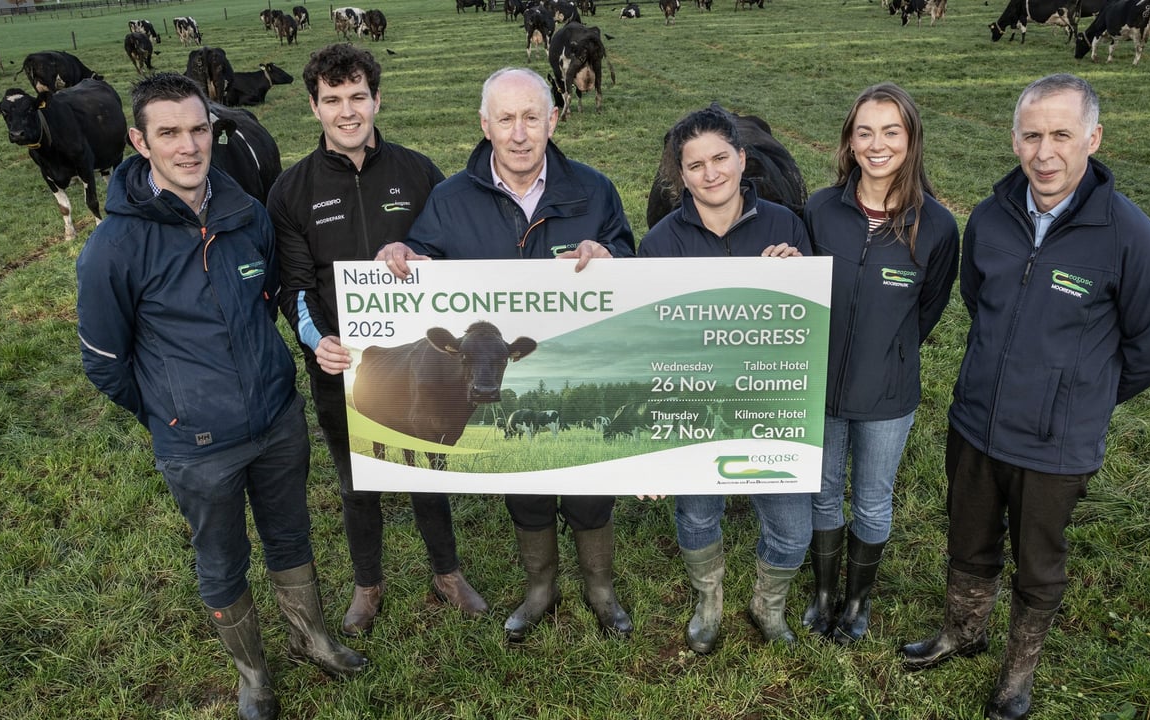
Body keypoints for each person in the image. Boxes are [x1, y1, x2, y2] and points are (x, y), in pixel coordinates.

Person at [75, 73, 366, 720]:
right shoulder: (112, 250)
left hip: (275, 418)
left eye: (198, 129)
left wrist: (266, 379)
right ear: (138, 141)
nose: (188, 146)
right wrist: (169, 409)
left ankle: (311, 638)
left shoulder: (246, 213)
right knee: (221, 558)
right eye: (169, 133)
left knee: (290, 534)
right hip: (196, 444)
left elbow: (267, 299)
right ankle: (254, 676)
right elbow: (103, 364)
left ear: (215, 130)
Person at [899, 74, 1150, 720]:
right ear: (1014, 139)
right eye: (1032, 135)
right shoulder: (994, 216)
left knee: (1039, 562)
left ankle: (1016, 677)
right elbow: (979, 298)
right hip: (976, 422)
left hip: (1055, 445)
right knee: (968, 538)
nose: (1045, 152)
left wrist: (1084, 392)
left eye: (1062, 134)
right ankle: (962, 633)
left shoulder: (1129, 237)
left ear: (1093, 138)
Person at [380, 66, 636, 642]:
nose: (519, 134)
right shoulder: (449, 199)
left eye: (530, 117)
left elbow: (627, 254)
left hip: (571, 370)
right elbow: (422, 264)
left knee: (591, 488)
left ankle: (601, 590)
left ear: (554, 119)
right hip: (501, 380)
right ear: (484, 125)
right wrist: (402, 253)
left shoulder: (594, 190)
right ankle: (540, 588)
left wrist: (611, 253)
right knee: (526, 487)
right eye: (505, 119)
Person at [268, 43, 488, 638]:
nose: (347, 111)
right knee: (354, 478)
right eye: (332, 100)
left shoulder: (419, 173)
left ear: (377, 99)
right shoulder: (291, 191)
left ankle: (447, 572)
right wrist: (318, 340)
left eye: (357, 97)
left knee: (425, 464)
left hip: (426, 365)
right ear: (313, 106)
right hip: (342, 366)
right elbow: (292, 286)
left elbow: (454, 259)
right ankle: (368, 585)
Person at [637, 105, 810, 651]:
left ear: (742, 158)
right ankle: (708, 601)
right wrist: (650, 442)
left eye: (720, 159)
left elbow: (806, 324)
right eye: (695, 165)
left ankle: (768, 602)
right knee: (696, 513)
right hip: (691, 405)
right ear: (678, 176)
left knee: (793, 527)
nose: (710, 174)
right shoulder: (660, 244)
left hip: (770, 402)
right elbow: (646, 345)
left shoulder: (786, 225)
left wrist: (795, 279)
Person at [800, 83, 960, 646]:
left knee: (871, 498)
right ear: (849, 140)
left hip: (887, 394)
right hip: (817, 387)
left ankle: (858, 603)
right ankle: (822, 595)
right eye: (864, 131)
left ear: (911, 139)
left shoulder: (936, 225)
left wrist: (887, 353)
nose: (877, 144)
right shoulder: (818, 209)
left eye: (891, 131)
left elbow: (928, 308)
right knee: (821, 492)